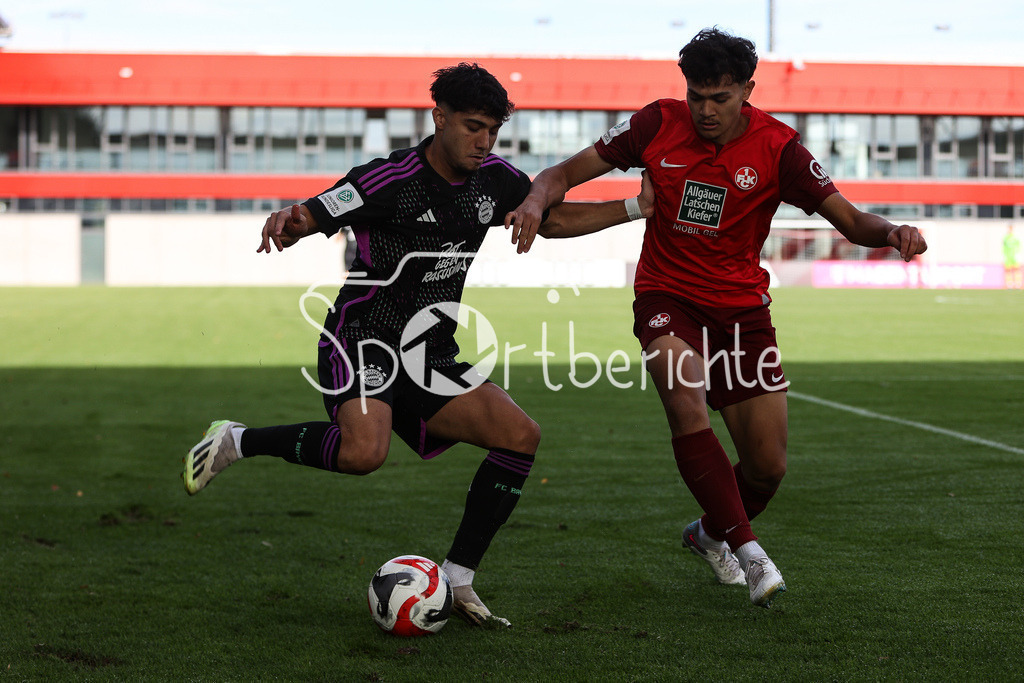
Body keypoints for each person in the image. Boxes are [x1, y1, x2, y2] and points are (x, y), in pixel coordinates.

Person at [183, 63, 651, 628]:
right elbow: (317, 210)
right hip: (362, 339)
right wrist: (292, 219)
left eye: (493, 131)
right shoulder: (390, 179)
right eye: (473, 127)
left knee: (519, 436)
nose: (484, 142)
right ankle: (238, 440)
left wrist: (635, 208)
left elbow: (548, 220)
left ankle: (457, 578)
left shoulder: (495, 178)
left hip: (431, 352)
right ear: (440, 117)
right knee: (363, 453)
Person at [505, 28, 927, 609]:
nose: (704, 110)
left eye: (720, 98)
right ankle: (752, 556)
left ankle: (709, 534)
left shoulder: (780, 149)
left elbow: (852, 223)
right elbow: (561, 175)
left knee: (767, 470)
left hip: (742, 313)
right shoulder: (655, 124)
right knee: (684, 397)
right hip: (667, 297)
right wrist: (532, 200)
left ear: (747, 91)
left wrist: (894, 233)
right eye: (696, 95)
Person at [1004, 224, 1021, 289]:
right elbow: (1004, 248)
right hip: (1008, 257)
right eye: (1009, 229)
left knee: (1017, 270)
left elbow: (1018, 247)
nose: (1010, 230)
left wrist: (1018, 255)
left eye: (1011, 229)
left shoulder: (1015, 238)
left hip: (1014, 256)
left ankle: (1018, 284)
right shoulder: (1005, 238)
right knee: (1008, 270)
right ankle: (1009, 284)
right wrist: (1004, 255)